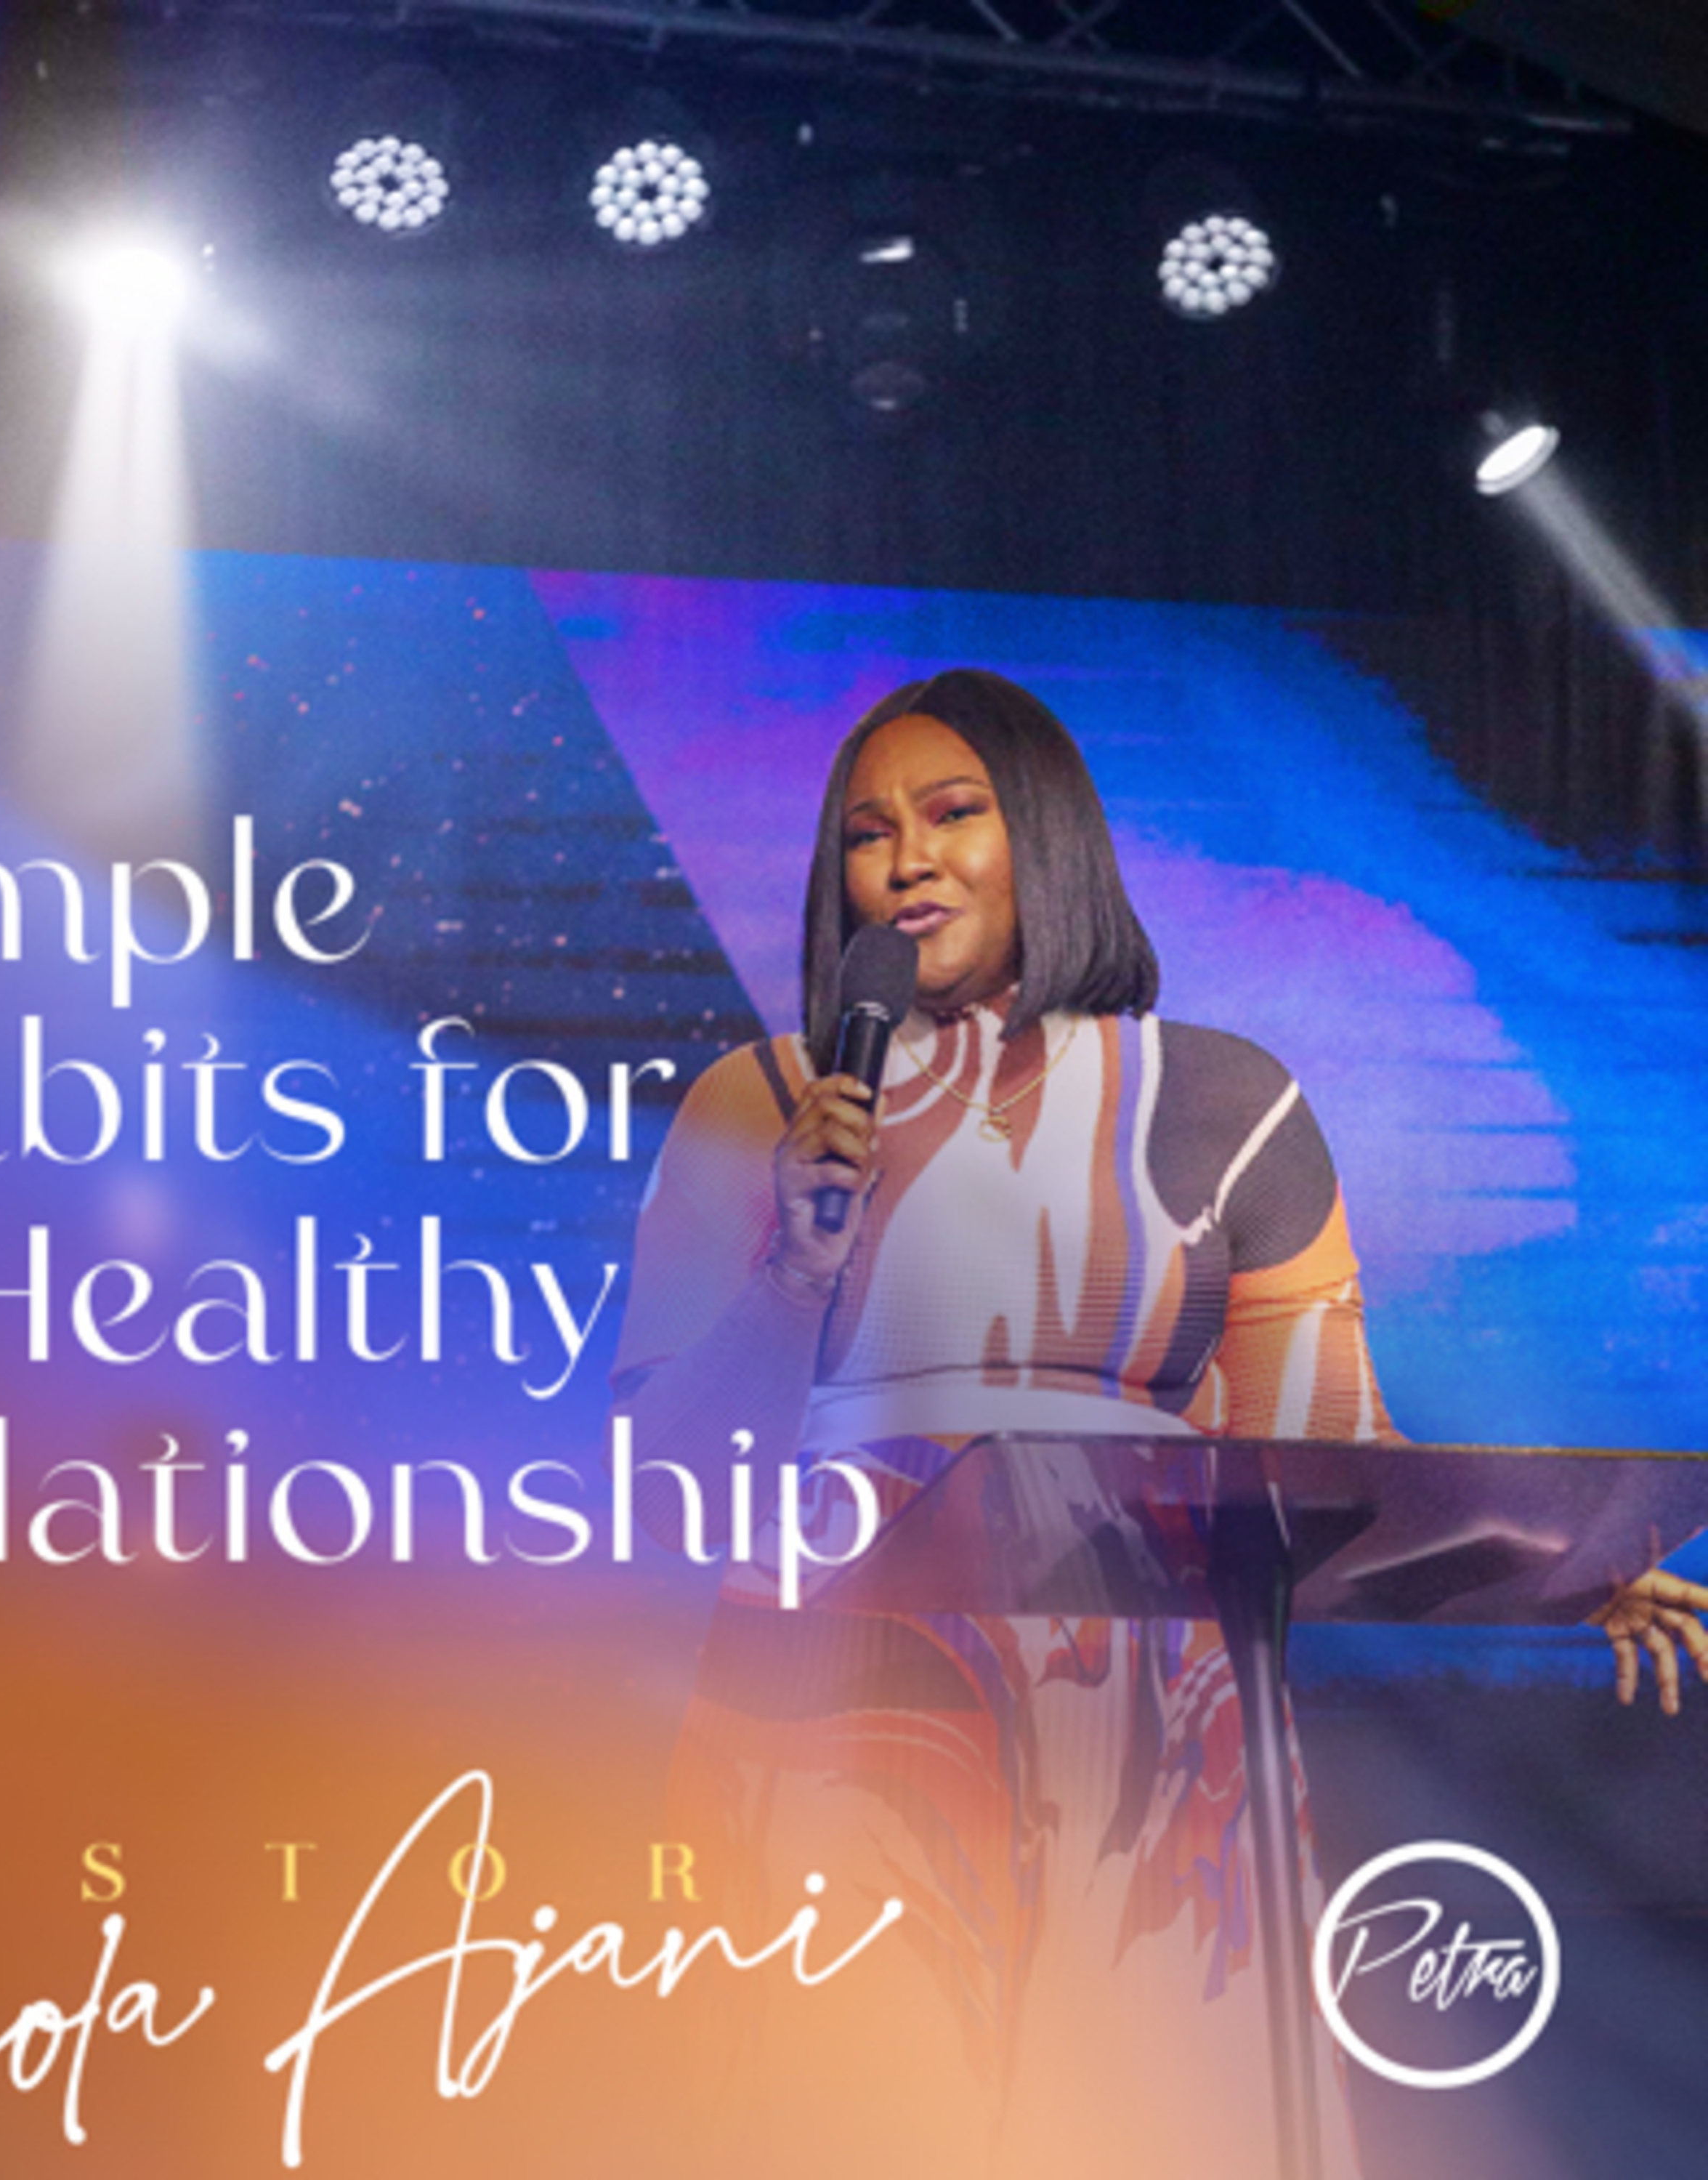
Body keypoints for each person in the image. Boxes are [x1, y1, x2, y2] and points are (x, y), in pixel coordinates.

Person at [610, 669, 1708, 2177]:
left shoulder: (1225, 1102)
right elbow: (655, 1476)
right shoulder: (760, 1105)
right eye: (867, 834)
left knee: (1152, 2120)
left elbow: (1327, 1453)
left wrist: (1556, 1553)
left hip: (1153, 1719)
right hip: (832, 1690)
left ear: (1046, 834)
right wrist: (794, 1265)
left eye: (952, 813)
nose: (907, 858)